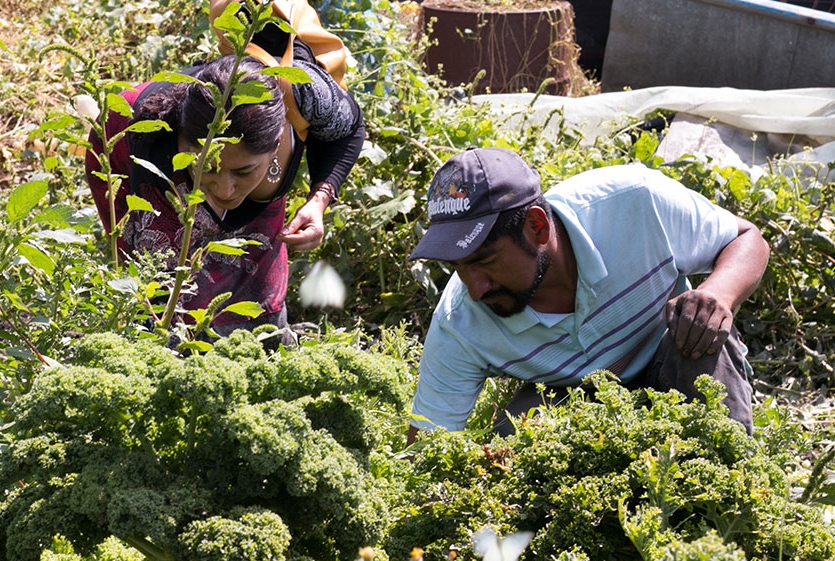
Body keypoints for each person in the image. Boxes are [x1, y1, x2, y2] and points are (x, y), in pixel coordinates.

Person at [407, 147, 770, 441]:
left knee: (701, 328)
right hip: (577, 397)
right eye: (458, 267)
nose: (475, 287)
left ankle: (731, 502)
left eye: (486, 261)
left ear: (537, 226)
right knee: (511, 434)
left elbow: (745, 238)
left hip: (670, 355)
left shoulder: (634, 201)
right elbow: (426, 445)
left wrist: (718, 293)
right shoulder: (459, 322)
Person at [85, 42, 364, 337]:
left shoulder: (307, 94)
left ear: (277, 143)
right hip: (121, 140)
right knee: (162, 285)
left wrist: (319, 200)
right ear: (185, 145)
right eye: (208, 167)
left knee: (257, 268)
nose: (224, 189)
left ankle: (266, 339)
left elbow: (351, 128)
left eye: (242, 171)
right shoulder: (153, 139)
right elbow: (161, 278)